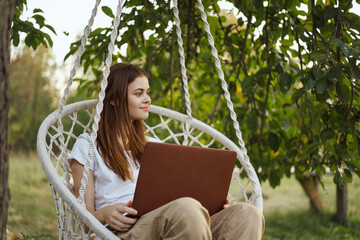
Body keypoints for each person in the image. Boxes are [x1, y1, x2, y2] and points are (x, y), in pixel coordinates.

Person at [69, 62, 264, 240]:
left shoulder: (153, 146)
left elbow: (178, 196)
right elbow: (85, 221)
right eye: (138, 93)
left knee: (248, 215)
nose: (147, 99)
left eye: (147, 92)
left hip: (174, 221)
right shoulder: (88, 146)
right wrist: (103, 214)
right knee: (187, 210)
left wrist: (210, 205)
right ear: (114, 100)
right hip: (122, 231)